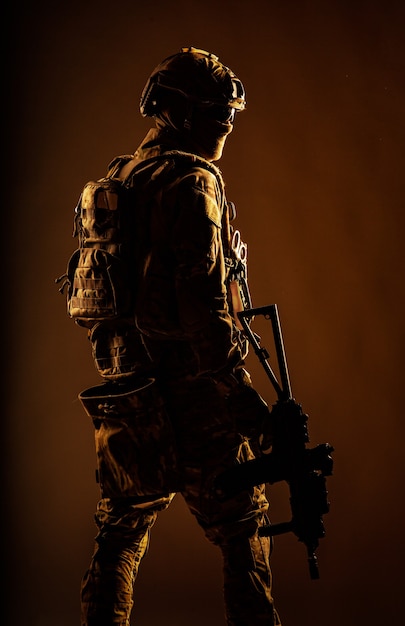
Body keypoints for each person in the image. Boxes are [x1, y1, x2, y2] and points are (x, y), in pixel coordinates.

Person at [76, 46, 281, 625]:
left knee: (120, 531)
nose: (227, 124)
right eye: (218, 112)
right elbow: (205, 314)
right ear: (180, 114)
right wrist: (246, 405)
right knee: (244, 529)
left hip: (128, 390)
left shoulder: (123, 180)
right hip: (190, 393)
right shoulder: (191, 184)